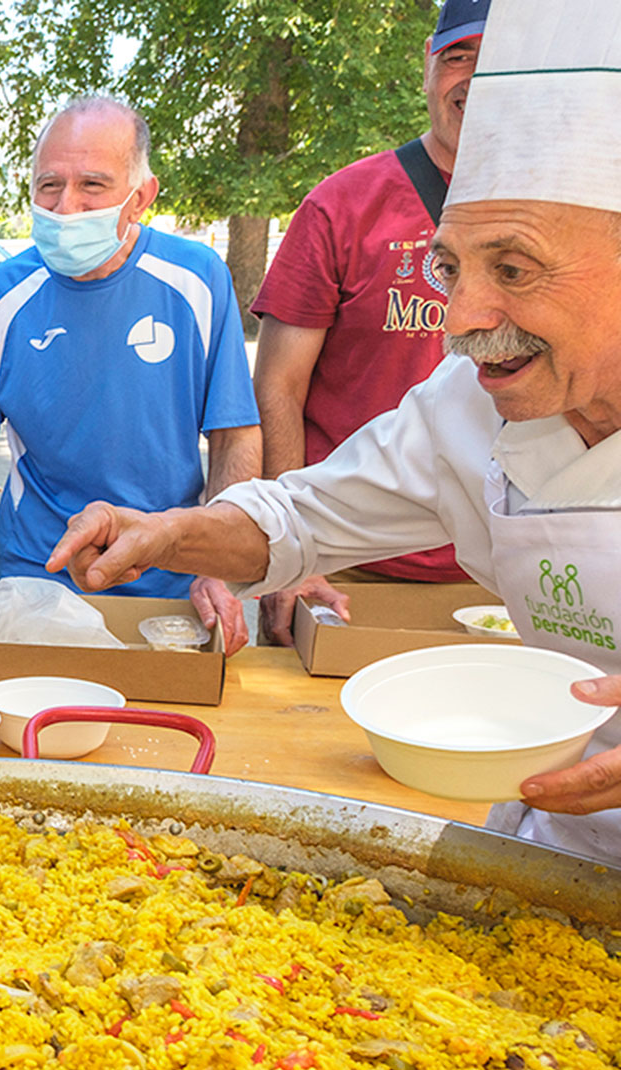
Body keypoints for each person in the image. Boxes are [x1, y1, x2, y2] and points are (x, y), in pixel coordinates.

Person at [47, 0, 621, 865]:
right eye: (449, 269)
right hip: (555, 842)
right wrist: (169, 533)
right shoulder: (464, 406)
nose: (460, 319)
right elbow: (300, 520)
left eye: (513, 269)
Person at [0, 95, 259, 654]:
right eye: (49, 185)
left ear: (141, 197)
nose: (66, 207)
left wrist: (217, 566)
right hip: (34, 580)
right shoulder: (2, 295)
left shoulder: (198, 280)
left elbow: (236, 436)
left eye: (93, 186)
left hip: (171, 583)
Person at [250, 0, 491, 644]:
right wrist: (288, 550)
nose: (472, 77)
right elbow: (278, 387)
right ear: (427, 69)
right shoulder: (343, 204)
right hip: (349, 563)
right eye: (457, 57)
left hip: (507, 568)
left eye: (493, 59)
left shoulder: (568, 209)